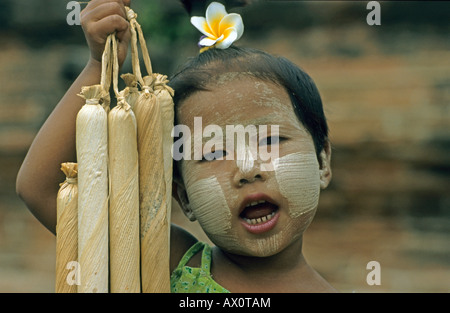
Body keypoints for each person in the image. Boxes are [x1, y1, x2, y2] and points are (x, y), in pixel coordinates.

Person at [16, 0, 336, 292]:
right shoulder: (166, 260)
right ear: (183, 197)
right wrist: (100, 64)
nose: (248, 169)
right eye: (213, 152)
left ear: (322, 160)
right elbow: (43, 188)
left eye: (270, 140)